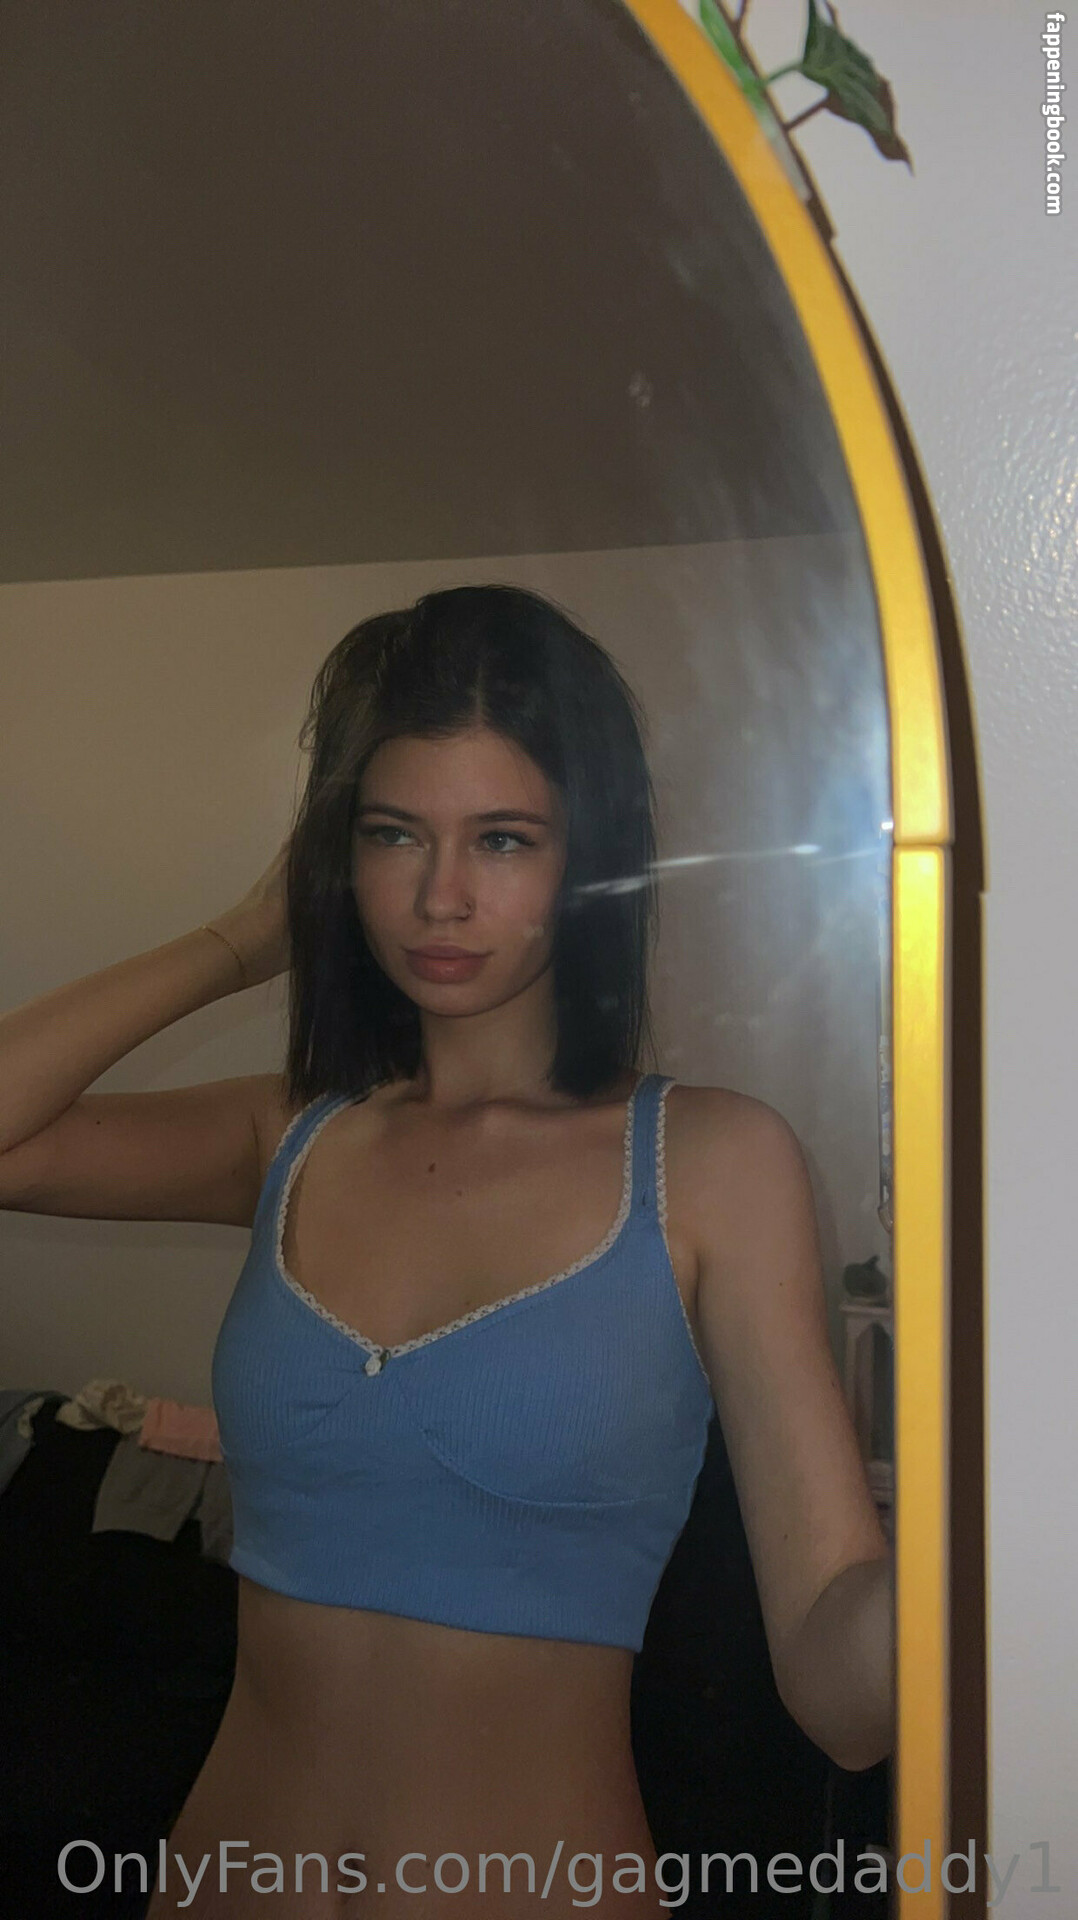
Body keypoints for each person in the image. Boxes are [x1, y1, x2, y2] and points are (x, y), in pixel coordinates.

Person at [0, 586, 893, 1917]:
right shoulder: (290, 1132)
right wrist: (242, 940)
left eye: (503, 839)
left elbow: (840, 1692)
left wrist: (997, 1527)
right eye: (392, 835)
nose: (440, 895)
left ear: (587, 861)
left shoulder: (712, 1165)